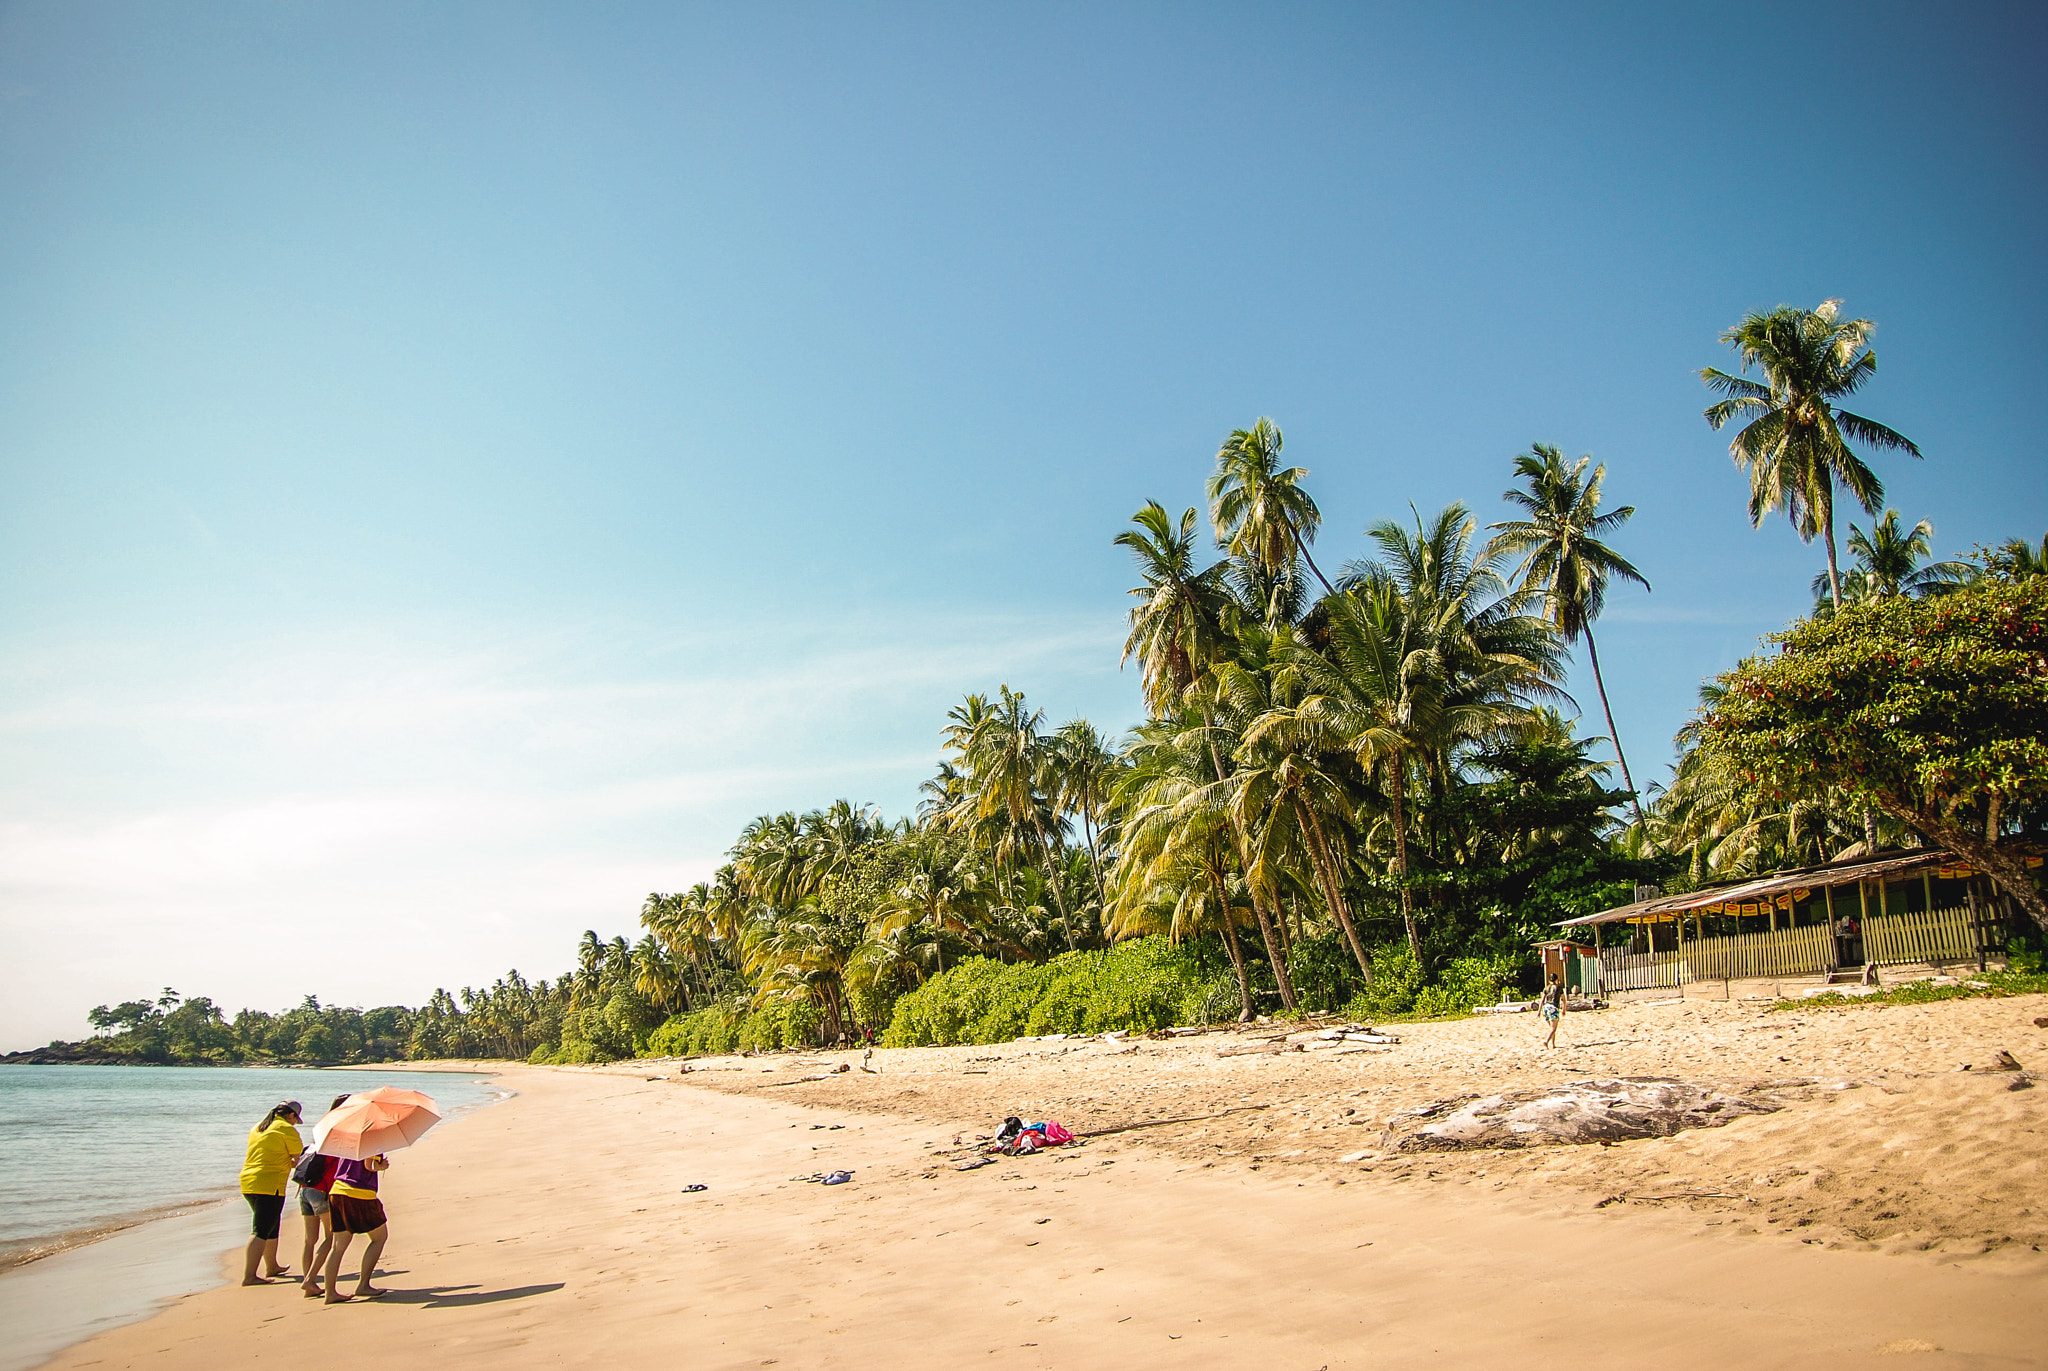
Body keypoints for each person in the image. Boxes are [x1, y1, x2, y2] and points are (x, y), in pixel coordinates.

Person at [239, 1101, 305, 1285]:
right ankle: (249, 1276)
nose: (294, 1124)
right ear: (291, 1116)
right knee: (261, 1229)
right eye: (295, 1120)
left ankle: (272, 1266)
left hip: (248, 1181)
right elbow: (298, 1159)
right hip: (269, 1184)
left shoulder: (258, 1127)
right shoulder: (286, 1129)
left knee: (271, 1224)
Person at [297, 1094, 352, 1297]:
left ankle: (309, 1283)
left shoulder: (324, 1125)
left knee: (309, 1239)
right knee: (331, 1238)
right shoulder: (341, 1131)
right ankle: (310, 1280)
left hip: (306, 1188)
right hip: (322, 1189)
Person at [323, 1151, 391, 1303]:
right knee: (379, 1238)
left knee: (338, 1247)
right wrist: (381, 1166)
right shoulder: (371, 1138)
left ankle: (330, 1292)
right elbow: (368, 1165)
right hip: (359, 1193)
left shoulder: (347, 1141)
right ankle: (363, 1284)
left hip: (337, 1191)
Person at [1539, 974, 1565, 1049]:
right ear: (1557, 980)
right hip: (1553, 1007)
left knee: (1551, 1027)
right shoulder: (1559, 988)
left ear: (1549, 980)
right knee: (1553, 1028)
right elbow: (1564, 1000)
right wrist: (1564, 1009)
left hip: (1546, 1008)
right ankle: (1546, 1041)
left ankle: (1553, 1044)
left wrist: (1539, 1011)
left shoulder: (1546, 988)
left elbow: (1542, 1000)